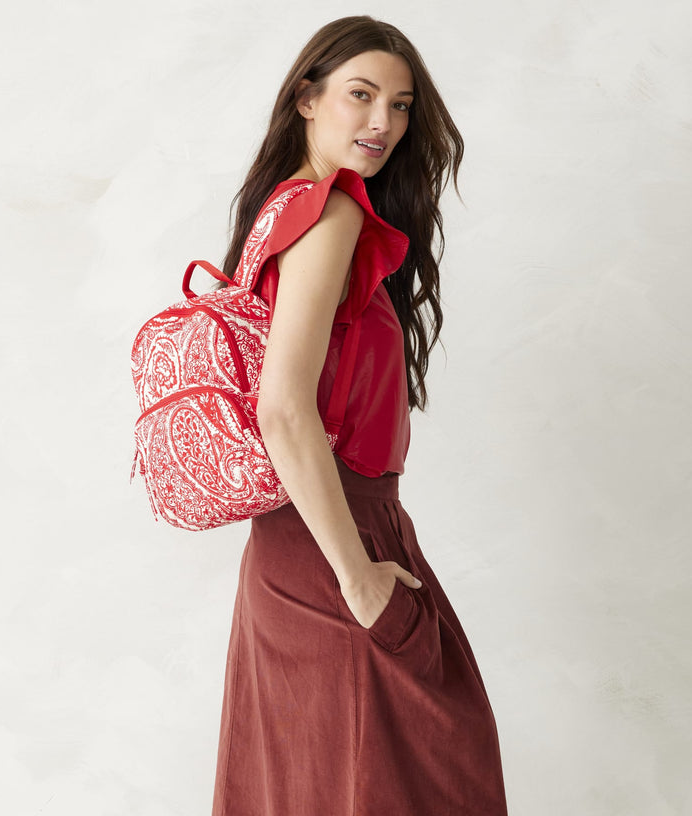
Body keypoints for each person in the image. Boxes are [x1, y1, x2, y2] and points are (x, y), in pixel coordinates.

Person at [211, 15, 509, 816]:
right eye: (361, 95)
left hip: (292, 546)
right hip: (337, 540)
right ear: (307, 98)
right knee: (417, 780)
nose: (384, 121)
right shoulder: (331, 214)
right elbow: (282, 409)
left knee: (316, 786)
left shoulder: (281, 211)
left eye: (401, 105)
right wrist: (357, 576)